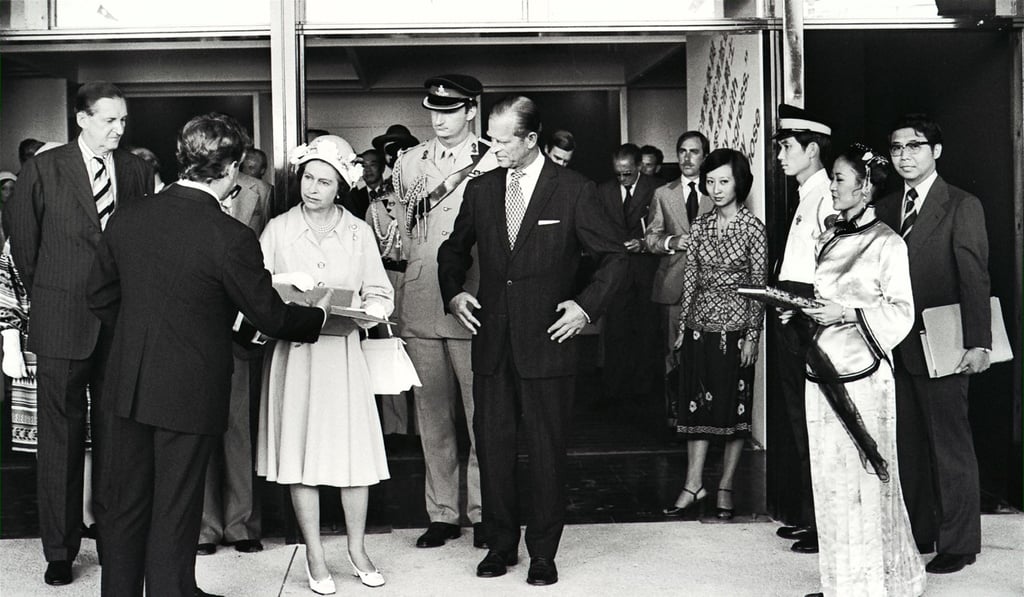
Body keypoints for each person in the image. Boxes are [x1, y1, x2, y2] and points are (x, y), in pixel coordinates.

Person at [88, 112, 329, 597]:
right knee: (177, 502)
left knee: (126, 501)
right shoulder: (228, 236)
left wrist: (144, 336)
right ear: (233, 167)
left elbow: (101, 297)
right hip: (189, 388)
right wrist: (319, 315)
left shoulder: (128, 215)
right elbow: (271, 317)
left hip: (125, 384)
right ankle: (171, 591)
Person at [438, 95, 627, 586]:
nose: (494, 148)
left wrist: (584, 307)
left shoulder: (574, 190)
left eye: (503, 140)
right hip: (492, 343)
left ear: (530, 139)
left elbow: (615, 259)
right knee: (494, 448)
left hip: (548, 342)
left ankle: (543, 551)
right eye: (492, 139)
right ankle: (499, 545)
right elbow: (452, 251)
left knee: (547, 452)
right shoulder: (481, 190)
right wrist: (455, 294)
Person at [4, 81, 154, 587]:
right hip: (63, 324)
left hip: (121, 327)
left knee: (119, 441)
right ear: (82, 119)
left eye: (124, 120)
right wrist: (58, 297)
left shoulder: (138, 171)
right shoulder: (43, 170)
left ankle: (115, 538)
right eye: (110, 119)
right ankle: (60, 549)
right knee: (59, 443)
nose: (119, 129)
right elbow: (24, 251)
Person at [257, 134, 393, 594]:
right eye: (308, 178)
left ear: (342, 186)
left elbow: (378, 290)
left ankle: (357, 549)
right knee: (302, 456)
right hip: (295, 357)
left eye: (325, 181)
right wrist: (280, 286)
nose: (313, 188)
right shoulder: (277, 229)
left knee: (353, 457)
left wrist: (372, 309)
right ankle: (315, 554)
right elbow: (254, 291)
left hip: (342, 354)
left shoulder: (358, 231)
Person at [796, 143, 924, 597]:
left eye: (839, 179)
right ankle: (839, 584)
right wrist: (805, 310)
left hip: (865, 377)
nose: (832, 186)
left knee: (865, 478)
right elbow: (826, 298)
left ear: (866, 187)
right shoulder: (831, 235)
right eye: (831, 178)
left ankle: (871, 586)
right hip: (822, 367)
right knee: (831, 478)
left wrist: (846, 313)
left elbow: (901, 312)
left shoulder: (888, 242)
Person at [875, 113, 991, 575]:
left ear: (936, 152)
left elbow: (974, 278)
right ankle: (918, 532)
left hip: (943, 344)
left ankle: (960, 542)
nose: (905, 155)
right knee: (905, 444)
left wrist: (978, 342)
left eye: (915, 146)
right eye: (897, 147)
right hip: (891, 345)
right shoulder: (883, 208)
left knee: (949, 443)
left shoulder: (962, 205)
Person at [392, 74, 498, 550]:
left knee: (482, 416)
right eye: (433, 110)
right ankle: (443, 513)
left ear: (471, 111)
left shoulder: (494, 159)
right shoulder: (410, 162)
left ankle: (484, 512)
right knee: (431, 414)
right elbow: (406, 230)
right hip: (420, 300)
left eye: (450, 110)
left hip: (472, 299)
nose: (439, 119)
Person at [666, 148, 766, 521]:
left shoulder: (753, 228)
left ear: (739, 182)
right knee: (695, 409)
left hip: (737, 329)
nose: (717, 188)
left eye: (724, 181)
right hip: (698, 329)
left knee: (734, 410)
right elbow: (691, 277)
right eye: (710, 181)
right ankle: (693, 485)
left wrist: (753, 335)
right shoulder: (702, 224)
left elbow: (758, 286)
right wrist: (682, 329)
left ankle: (725, 485)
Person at [196, 166, 274, 556]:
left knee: (238, 429)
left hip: (242, 327)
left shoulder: (257, 191)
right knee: (200, 429)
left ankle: (241, 523)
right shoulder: (185, 199)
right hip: (196, 332)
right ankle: (205, 526)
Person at [771, 103, 837, 554]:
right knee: (800, 419)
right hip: (793, 311)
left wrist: (800, 308)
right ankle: (810, 516)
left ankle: (823, 525)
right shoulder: (806, 195)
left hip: (809, 320)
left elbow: (832, 267)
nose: (780, 155)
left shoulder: (826, 197)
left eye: (787, 147)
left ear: (812, 150)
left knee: (815, 420)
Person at [644, 131, 712, 425]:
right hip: (672, 286)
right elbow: (650, 239)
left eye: (693, 152)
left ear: (704, 156)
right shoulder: (663, 193)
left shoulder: (718, 191)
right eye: (682, 151)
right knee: (673, 352)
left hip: (709, 288)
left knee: (707, 353)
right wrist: (673, 242)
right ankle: (677, 415)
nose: (686, 158)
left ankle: (706, 413)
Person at [595, 143, 660, 417]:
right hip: (615, 272)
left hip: (647, 272)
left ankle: (644, 392)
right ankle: (614, 393)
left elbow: (663, 228)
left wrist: (643, 243)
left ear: (639, 167)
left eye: (628, 174)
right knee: (616, 332)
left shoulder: (658, 188)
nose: (622, 179)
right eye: (618, 174)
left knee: (646, 332)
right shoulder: (603, 191)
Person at [359, 148, 413, 438]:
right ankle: (396, 429)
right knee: (388, 349)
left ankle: (422, 428)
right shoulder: (374, 209)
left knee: (420, 350)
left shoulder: (422, 208)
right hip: (386, 279)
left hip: (417, 280)